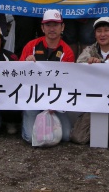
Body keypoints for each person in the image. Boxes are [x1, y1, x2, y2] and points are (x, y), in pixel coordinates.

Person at [70, 16, 109, 149]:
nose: (102, 34)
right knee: (78, 138)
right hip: (94, 101)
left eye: (106, 30)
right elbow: (79, 65)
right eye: (99, 31)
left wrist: (101, 64)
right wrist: (89, 63)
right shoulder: (90, 50)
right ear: (94, 34)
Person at [20, 9, 75, 145]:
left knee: (67, 136)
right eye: (48, 25)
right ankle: (25, 119)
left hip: (56, 99)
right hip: (32, 97)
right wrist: (26, 64)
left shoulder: (67, 51)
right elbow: (18, 74)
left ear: (62, 27)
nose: (52, 29)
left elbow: (68, 82)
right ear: (42, 27)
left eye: (56, 25)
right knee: (30, 138)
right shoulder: (31, 46)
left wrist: (55, 103)